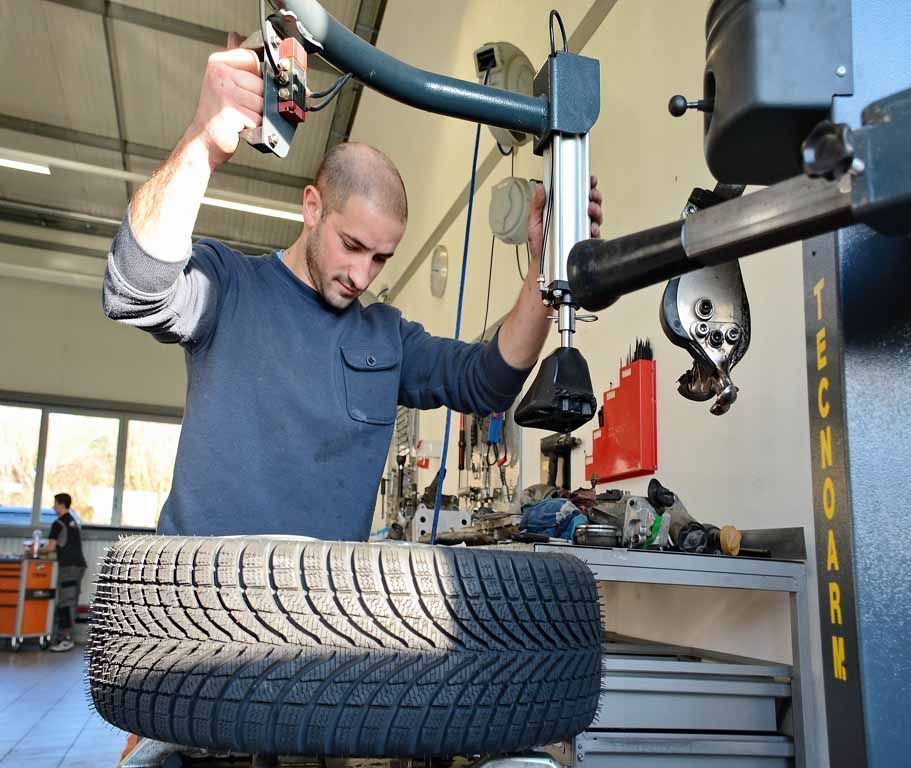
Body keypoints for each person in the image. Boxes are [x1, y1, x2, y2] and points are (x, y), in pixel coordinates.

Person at [102, 39, 603, 540]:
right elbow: (134, 290)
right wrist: (202, 144)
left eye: (380, 258)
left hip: (325, 589)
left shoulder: (386, 338)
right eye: (352, 245)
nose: (362, 276)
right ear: (313, 208)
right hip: (204, 585)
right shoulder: (228, 287)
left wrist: (543, 262)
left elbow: (487, 381)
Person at [35, 493, 87, 652]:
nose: (53, 507)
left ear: (61, 504)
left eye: (55, 504)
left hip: (69, 568)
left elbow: (50, 547)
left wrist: (35, 550)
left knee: (66, 602)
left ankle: (66, 639)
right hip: (78, 567)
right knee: (70, 600)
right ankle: (63, 636)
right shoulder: (73, 521)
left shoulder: (58, 523)